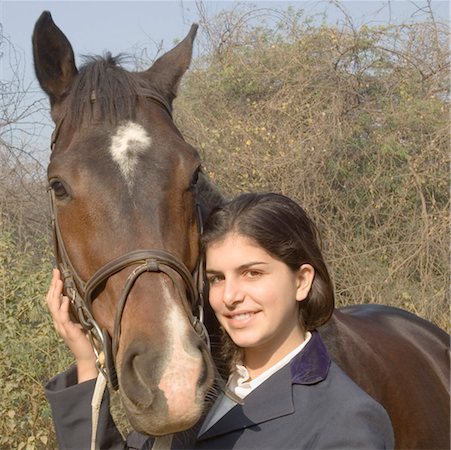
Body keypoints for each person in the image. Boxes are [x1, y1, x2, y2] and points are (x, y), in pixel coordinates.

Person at [45, 192, 394, 449]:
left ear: (301, 281)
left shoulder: (347, 422)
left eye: (252, 273)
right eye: (216, 278)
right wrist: (86, 363)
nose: (229, 297)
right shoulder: (196, 390)